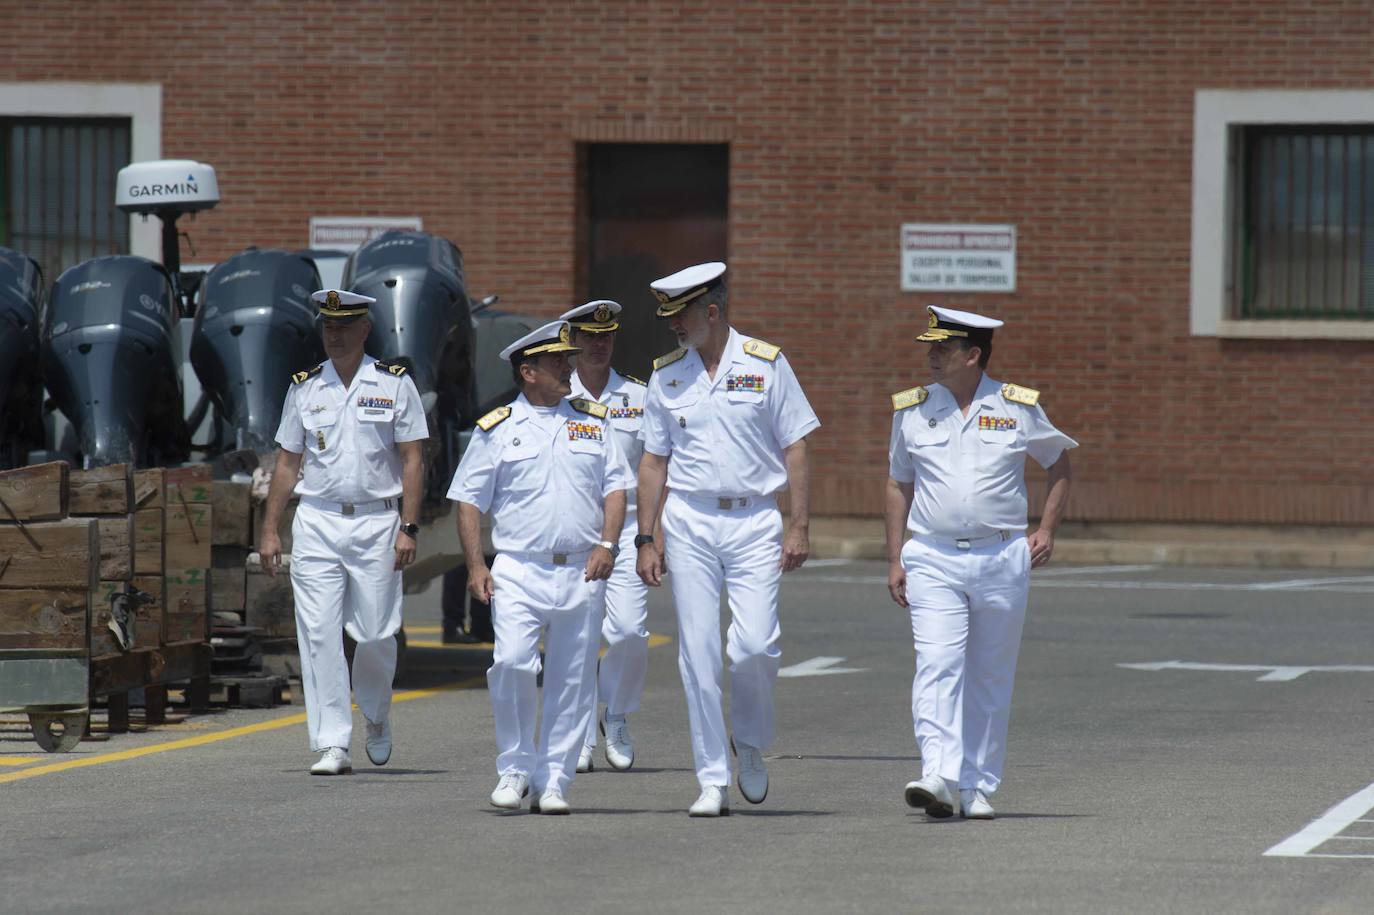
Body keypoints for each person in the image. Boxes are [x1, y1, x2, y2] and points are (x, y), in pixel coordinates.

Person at [636, 262, 820, 817]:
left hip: (754, 518)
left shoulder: (766, 363)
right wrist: (647, 536)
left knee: (756, 646)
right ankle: (712, 778)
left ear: (711, 312)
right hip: (689, 518)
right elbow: (652, 463)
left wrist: (800, 524)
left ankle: (751, 741)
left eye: (682, 314)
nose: (673, 326)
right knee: (697, 652)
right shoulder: (666, 375)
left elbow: (796, 446)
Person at [885, 305, 1076, 819]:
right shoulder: (912, 408)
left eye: (942, 349)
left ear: (973, 356)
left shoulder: (1016, 405)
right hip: (931, 555)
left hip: (1001, 556)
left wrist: (1047, 530)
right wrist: (894, 556)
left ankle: (975, 786)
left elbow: (1058, 463)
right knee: (938, 664)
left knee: (990, 675)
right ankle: (937, 774)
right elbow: (899, 482)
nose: (931, 356)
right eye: (930, 347)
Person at [448, 320, 631, 815]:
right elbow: (468, 499)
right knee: (510, 664)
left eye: (568, 361)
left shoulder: (594, 421)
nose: (569, 368)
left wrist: (609, 544)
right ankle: (514, 767)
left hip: (580, 569)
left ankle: (555, 780)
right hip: (519, 569)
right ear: (528, 372)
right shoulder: (497, 428)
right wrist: (475, 566)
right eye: (558, 363)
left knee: (572, 679)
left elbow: (616, 487)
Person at [258, 289, 428, 776]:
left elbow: (414, 459)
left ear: (365, 329)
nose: (334, 335)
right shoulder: (305, 388)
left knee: (375, 632)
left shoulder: (394, 384)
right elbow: (288, 462)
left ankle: (375, 714)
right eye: (327, 327)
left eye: (344, 326)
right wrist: (271, 529)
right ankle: (332, 741)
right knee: (317, 634)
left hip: (378, 520)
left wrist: (409, 527)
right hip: (317, 519)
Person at [558, 299, 650, 774]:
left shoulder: (638, 395)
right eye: (589, 337)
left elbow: (658, 464)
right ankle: (578, 735)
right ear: (571, 340)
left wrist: (655, 534)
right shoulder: (554, 393)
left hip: (630, 527)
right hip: (575, 528)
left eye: (606, 337)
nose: (598, 345)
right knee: (579, 635)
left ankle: (615, 714)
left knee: (629, 631)